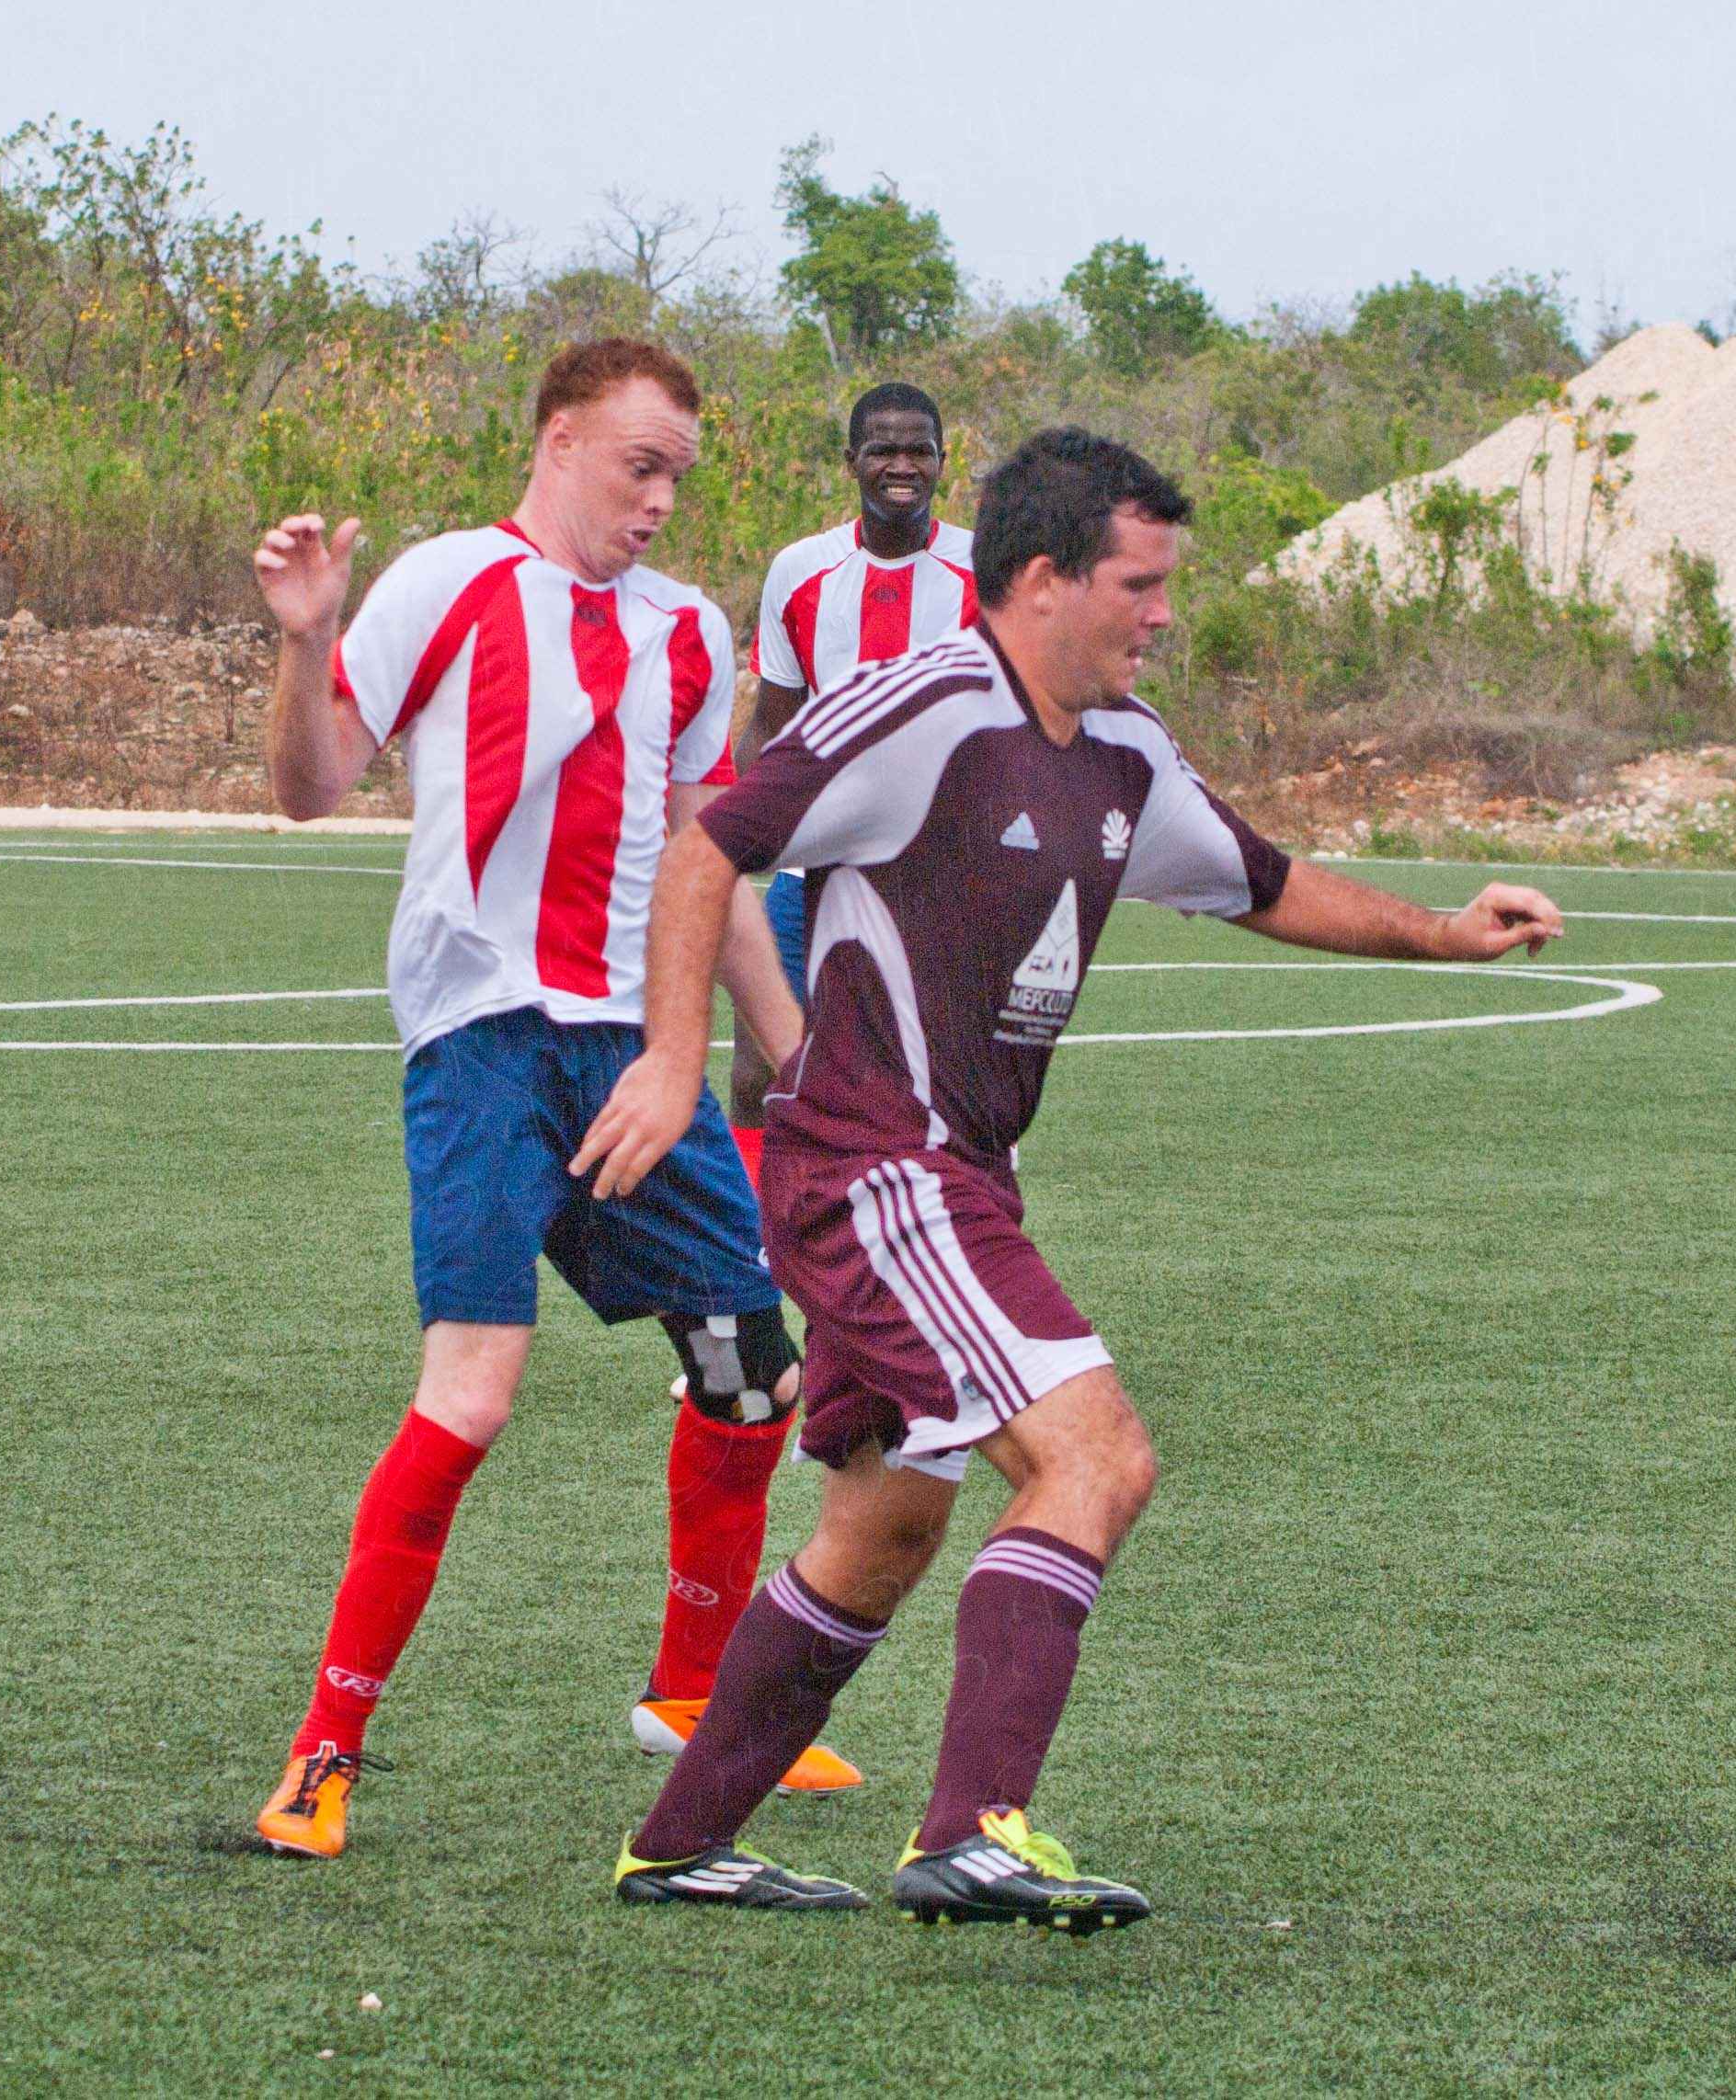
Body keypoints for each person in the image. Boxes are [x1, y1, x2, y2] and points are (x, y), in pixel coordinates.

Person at [572, 428, 1564, 1925]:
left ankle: (679, 1844)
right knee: (1096, 1457)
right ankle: (971, 1829)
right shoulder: (921, 710)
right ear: (1043, 579)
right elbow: (711, 843)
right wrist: (669, 1057)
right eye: (1138, 585)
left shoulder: (1124, 752)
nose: (1161, 614)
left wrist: (1448, 930)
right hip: (879, 1172)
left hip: (957, 1179)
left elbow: (1265, 882)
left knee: (880, 1532)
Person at [246, 338, 851, 1862]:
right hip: (484, 1046)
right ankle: (324, 1751)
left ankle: (694, 1696)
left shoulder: (688, 631)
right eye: (640, 467)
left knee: (749, 1368)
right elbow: (310, 786)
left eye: (679, 478)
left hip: (634, 1052)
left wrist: (797, 1055)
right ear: (561, 440)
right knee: (473, 1393)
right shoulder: (448, 581)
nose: (661, 501)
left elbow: (708, 861)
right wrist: (305, 644)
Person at [728, 382, 977, 1174]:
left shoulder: (988, 571)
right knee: (760, 1076)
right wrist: (743, 829)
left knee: (931, 1092)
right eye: (883, 450)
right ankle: (762, 1236)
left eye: (919, 451)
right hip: (813, 875)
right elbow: (771, 723)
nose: (902, 466)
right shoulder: (800, 571)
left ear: (942, 461)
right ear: (851, 461)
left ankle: (932, 1231)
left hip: (936, 881)